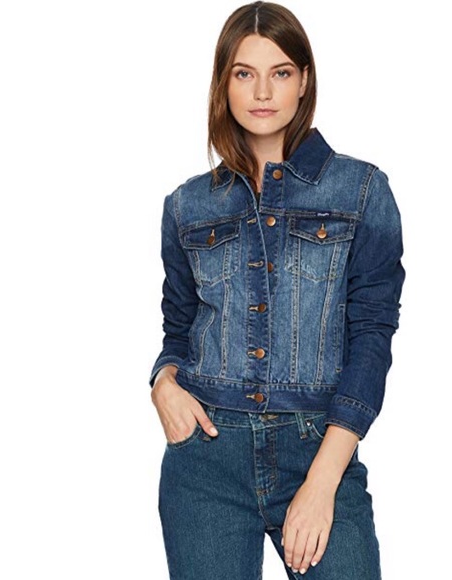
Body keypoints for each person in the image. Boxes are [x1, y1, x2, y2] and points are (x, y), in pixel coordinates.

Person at [149, 2, 405, 578]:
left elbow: (372, 336)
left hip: (318, 448)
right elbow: (178, 328)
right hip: (206, 461)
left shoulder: (361, 190)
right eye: (244, 73)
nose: (262, 91)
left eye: (280, 72)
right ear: (224, 83)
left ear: (304, 80)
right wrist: (162, 381)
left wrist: (323, 481)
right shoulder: (187, 205)